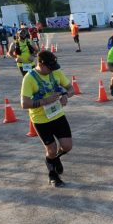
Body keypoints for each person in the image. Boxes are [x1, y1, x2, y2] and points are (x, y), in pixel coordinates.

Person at [21, 51, 75, 187]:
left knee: (67, 146)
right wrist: (44, 101)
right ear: (40, 64)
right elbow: (24, 104)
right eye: (49, 67)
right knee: (51, 149)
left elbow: (71, 88)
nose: (52, 69)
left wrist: (66, 96)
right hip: (40, 120)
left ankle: (54, 158)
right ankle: (52, 174)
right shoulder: (29, 78)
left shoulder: (56, 72)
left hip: (57, 115)